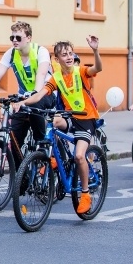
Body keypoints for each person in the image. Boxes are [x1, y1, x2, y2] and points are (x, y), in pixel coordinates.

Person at [16, 36, 102, 214]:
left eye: (71, 53)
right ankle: (53, 157)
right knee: (50, 121)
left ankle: (85, 194)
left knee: (79, 156)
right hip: (69, 117)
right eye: (65, 54)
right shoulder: (56, 78)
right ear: (57, 59)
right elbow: (40, 95)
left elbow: (98, 68)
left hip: (87, 119)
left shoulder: (82, 72)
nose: (69, 57)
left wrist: (95, 50)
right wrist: (23, 103)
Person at [0, 21, 55, 165]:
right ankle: (21, 180)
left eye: (18, 38)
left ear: (28, 38)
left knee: (35, 107)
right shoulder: (11, 53)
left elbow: (41, 74)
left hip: (44, 94)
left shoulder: (41, 51)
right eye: (12, 38)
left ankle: (41, 146)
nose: (14, 41)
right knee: (15, 140)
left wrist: (34, 92)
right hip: (23, 98)